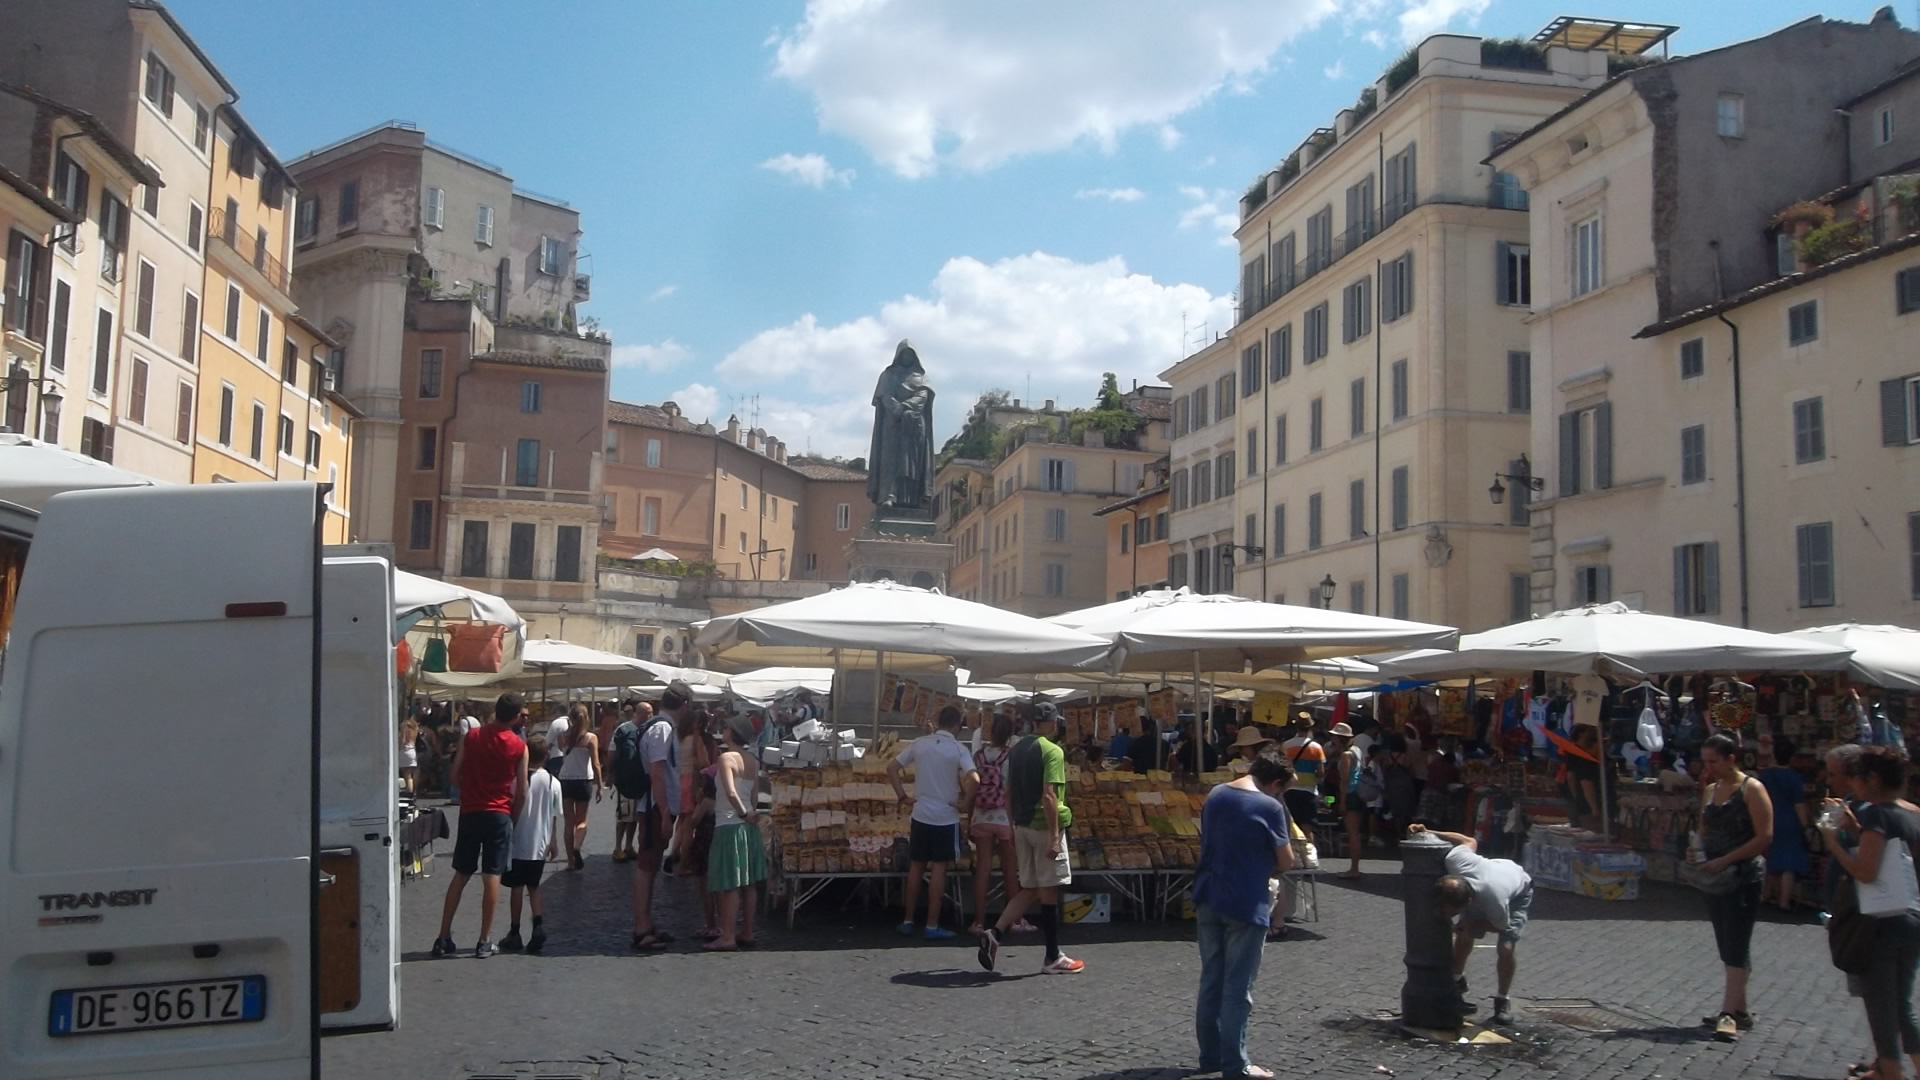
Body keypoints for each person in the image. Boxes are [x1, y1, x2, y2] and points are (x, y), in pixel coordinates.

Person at [1190, 755, 1295, 1080]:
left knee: (1211, 980)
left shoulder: (1217, 794)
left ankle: (1210, 1056)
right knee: (1237, 987)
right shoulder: (1270, 807)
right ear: (1275, 783)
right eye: (1281, 790)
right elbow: (1286, 861)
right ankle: (1237, 1064)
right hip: (1245, 902)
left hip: (1208, 894)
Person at [1819, 748, 1920, 1080]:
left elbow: (1866, 872)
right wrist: (1855, 828)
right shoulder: (1913, 814)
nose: (1853, 783)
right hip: (1911, 919)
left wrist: (1833, 842)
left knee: (1881, 1009)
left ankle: (1891, 1073)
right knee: (1902, 1005)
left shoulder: (1878, 815)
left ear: (1872, 779)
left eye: (1857, 777)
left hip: (1879, 924)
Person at [978, 704, 1082, 974]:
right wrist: (1055, 837)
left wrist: (1012, 826)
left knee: (1031, 888)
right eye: (1054, 722)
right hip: (1043, 826)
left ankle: (995, 933)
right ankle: (1052, 956)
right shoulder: (1052, 751)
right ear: (1049, 723)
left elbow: (1008, 793)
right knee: (1048, 890)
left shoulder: (1017, 750)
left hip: (1021, 826)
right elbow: (1049, 795)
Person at [432, 693, 530, 959]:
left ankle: (443, 936)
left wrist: (470, 791)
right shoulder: (519, 746)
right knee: (492, 875)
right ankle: (484, 940)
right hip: (499, 812)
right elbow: (522, 791)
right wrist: (513, 817)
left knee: (461, 873)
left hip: (471, 810)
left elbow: (454, 775)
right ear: (515, 716)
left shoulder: (472, 737)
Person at [1694, 732, 1774, 1042]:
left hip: (1742, 874)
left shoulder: (1752, 789)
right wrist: (1697, 851)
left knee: (1737, 941)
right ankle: (1739, 1010)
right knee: (1727, 942)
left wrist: (1727, 859)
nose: (1709, 767)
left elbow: (1764, 835)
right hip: (1715, 875)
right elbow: (1703, 829)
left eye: (1714, 761)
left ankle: (1728, 1014)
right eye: (1705, 761)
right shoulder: (1711, 790)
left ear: (1731, 759)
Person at [1412, 824, 1534, 1025]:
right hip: (1492, 874)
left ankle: (1502, 999)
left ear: (1467, 903)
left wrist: (1473, 923)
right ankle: (1456, 981)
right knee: (1463, 934)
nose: (1449, 916)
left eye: (1453, 913)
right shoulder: (1455, 861)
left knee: (1505, 948)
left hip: (1517, 891)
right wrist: (1429, 832)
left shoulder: (1494, 901)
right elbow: (1468, 841)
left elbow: (1500, 926)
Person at [888, 704, 979, 939]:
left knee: (916, 866)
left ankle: (908, 920)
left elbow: (892, 768)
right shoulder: (958, 749)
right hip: (945, 817)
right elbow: (975, 778)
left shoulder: (920, 743)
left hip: (921, 813)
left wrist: (902, 796)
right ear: (958, 725)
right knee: (939, 868)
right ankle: (931, 924)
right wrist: (965, 802)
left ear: (938, 722)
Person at [630, 684, 687, 951]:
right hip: (655, 806)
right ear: (684, 705)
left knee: (651, 866)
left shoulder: (662, 727)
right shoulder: (662, 729)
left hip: (657, 806)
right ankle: (641, 928)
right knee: (646, 866)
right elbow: (656, 772)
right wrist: (664, 812)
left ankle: (646, 923)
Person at [705, 716, 769, 951]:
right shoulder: (752, 760)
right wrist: (749, 813)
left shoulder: (726, 758)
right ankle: (747, 932)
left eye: (726, 728)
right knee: (748, 883)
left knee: (729, 883)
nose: (723, 730)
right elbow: (754, 795)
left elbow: (731, 792)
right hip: (748, 825)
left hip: (729, 824)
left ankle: (728, 936)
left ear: (732, 733)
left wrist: (742, 813)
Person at [968, 712, 1033, 937]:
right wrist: (1013, 822)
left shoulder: (978, 756)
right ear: (1010, 735)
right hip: (1004, 818)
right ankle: (1015, 920)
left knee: (983, 869)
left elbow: (971, 788)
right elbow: (1008, 793)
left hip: (981, 817)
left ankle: (978, 921)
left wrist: (969, 819)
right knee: (1010, 870)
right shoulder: (1010, 757)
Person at [501, 735, 563, 954]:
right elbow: (554, 815)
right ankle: (538, 925)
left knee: (517, 888)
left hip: (519, 841)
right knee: (534, 887)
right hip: (540, 843)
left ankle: (515, 931)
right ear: (546, 756)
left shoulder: (517, 780)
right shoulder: (554, 783)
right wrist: (553, 841)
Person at [1757, 737, 1812, 912]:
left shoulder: (1766, 776)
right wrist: (1805, 826)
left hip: (1769, 819)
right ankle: (1784, 900)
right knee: (1789, 863)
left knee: (1772, 857)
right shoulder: (1795, 778)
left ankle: (1768, 894)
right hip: (1790, 821)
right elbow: (1799, 805)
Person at [554, 703, 601, 870]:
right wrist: (599, 785)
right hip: (583, 780)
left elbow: (561, 751)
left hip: (565, 779)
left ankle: (570, 862)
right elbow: (595, 763)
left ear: (570, 718)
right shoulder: (591, 738)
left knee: (568, 822)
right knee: (581, 821)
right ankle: (577, 846)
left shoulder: (562, 736)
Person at [668, 707, 713, 875]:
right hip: (690, 781)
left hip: (676, 780)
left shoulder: (675, 737)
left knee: (681, 821)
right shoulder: (696, 739)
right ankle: (683, 865)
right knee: (689, 826)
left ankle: (674, 854)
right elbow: (703, 763)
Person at [609, 702, 652, 862]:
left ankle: (629, 846)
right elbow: (612, 752)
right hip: (625, 780)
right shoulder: (623, 730)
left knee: (635, 816)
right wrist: (610, 773)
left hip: (641, 781)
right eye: (648, 712)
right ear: (638, 713)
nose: (650, 716)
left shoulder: (649, 730)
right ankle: (617, 847)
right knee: (624, 815)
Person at [1328, 722, 1364, 879]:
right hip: (1359, 793)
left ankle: (1354, 869)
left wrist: (1342, 802)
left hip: (1350, 794)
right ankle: (1355, 867)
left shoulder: (1346, 755)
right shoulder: (1357, 750)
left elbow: (1344, 780)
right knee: (1355, 832)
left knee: (1352, 833)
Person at [1279, 712, 1326, 829]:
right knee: (1307, 827)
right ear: (1310, 728)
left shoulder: (1286, 745)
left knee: (1290, 827)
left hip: (1290, 789)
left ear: (1296, 727)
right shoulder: (1317, 748)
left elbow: (1282, 767)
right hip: (1309, 790)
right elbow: (1321, 772)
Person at [398, 716, 420, 795]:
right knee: (413, 773)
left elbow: (402, 742)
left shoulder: (404, 733)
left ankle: (410, 793)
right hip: (412, 752)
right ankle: (415, 791)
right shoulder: (414, 732)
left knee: (407, 776)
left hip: (405, 752)